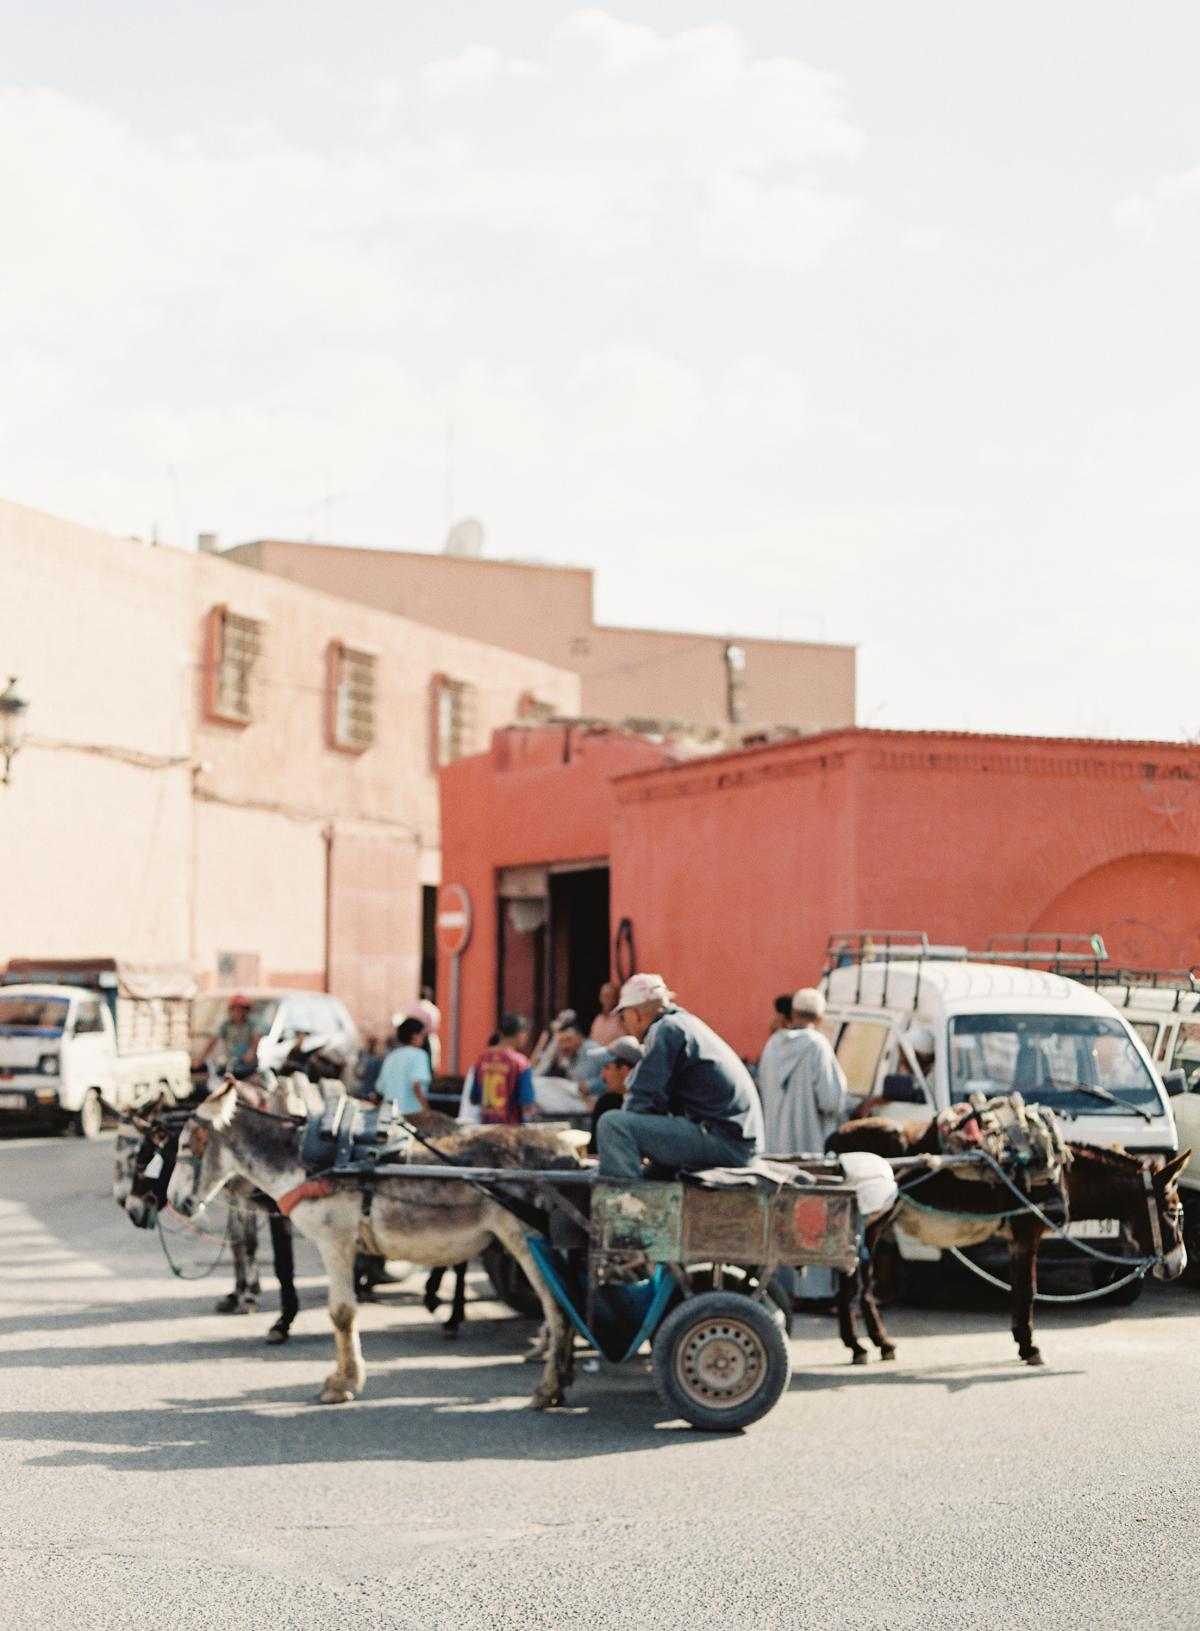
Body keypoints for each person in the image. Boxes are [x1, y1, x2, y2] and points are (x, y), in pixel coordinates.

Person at [596, 974, 763, 1179]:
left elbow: (642, 1097)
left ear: (636, 1014)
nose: (625, 1023)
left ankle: (624, 1208)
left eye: (625, 1016)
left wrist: (636, 1139)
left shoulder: (666, 1029)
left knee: (613, 1124)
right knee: (652, 1176)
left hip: (725, 1140)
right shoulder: (683, 1023)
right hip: (735, 1139)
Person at [757, 986, 847, 1307]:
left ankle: (780, 1287)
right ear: (820, 1018)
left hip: (774, 1149)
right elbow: (832, 1099)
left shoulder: (771, 1046)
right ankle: (815, 1291)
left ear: (793, 1014)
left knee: (781, 1217)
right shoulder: (818, 1046)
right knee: (812, 1214)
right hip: (810, 1147)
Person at [469, 1013, 536, 1126]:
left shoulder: (482, 1059)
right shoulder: (520, 1063)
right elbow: (526, 1104)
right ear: (520, 1034)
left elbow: (473, 1099)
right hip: (509, 1132)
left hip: (486, 1129)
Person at [588, 1035, 643, 1152]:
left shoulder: (651, 1105)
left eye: (607, 1067)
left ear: (624, 1070)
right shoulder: (606, 1103)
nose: (602, 1076)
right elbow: (594, 1154)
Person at [375, 1018, 432, 1116]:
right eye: (422, 1035)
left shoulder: (391, 1056)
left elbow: (380, 1088)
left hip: (390, 1115)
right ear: (415, 1036)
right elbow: (416, 1084)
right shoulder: (419, 1055)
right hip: (412, 1116)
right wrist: (426, 1111)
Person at [198, 994, 260, 1076]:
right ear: (231, 1010)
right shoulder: (226, 1025)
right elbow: (213, 1040)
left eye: (242, 1010)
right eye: (236, 1009)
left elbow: (256, 1037)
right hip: (231, 1065)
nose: (239, 1012)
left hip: (248, 1067)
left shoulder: (251, 1024)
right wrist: (201, 1058)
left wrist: (251, 1052)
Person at [554, 1021, 608, 1103]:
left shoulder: (591, 1050)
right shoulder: (570, 1054)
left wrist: (588, 1086)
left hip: (602, 1100)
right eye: (561, 1042)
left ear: (579, 1037)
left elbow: (608, 1081)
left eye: (568, 1040)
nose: (565, 1045)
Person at [589, 981, 625, 1047]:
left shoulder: (621, 1020)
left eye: (610, 996)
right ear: (600, 998)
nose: (607, 1000)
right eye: (604, 996)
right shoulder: (597, 1019)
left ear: (616, 998)